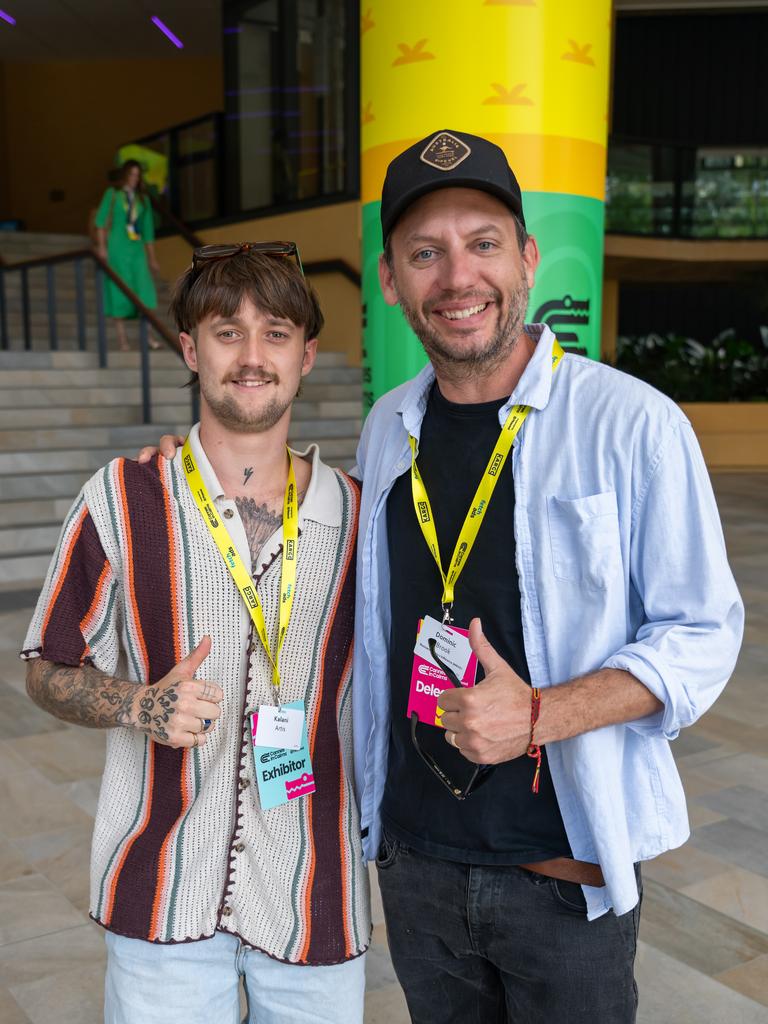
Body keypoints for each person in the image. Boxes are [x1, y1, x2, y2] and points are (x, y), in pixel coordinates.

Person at [350, 130, 744, 1023]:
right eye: (425, 253)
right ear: (391, 281)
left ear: (527, 259)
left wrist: (539, 714)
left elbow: (702, 633)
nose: (457, 277)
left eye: (483, 243)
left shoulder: (633, 423)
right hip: (415, 867)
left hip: (561, 882)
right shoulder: (386, 428)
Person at [21, 243, 370, 1024]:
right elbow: (46, 665)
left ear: (308, 355)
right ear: (189, 348)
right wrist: (137, 704)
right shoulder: (122, 496)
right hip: (161, 898)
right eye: (226, 331)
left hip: (315, 895)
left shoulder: (359, 515)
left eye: (276, 333)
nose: (252, 357)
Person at [94, 159, 161, 351]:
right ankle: (123, 341)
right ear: (125, 175)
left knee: (145, 292)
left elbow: (148, 232)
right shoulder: (113, 194)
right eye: (131, 174)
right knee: (118, 291)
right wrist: (102, 247)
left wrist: (152, 258)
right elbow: (100, 221)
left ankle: (148, 336)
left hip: (137, 248)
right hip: (117, 247)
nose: (134, 179)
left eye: (137, 175)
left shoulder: (143, 199)